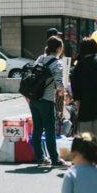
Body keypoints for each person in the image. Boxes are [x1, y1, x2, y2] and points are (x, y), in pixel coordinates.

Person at [28, 36, 66, 168]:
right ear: (59, 48)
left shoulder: (40, 58)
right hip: (47, 100)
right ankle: (55, 159)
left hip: (34, 99)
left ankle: (39, 157)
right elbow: (59, 84)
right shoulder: (57, 63)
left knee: (37, 129)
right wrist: (63, 90)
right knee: (49, 130)